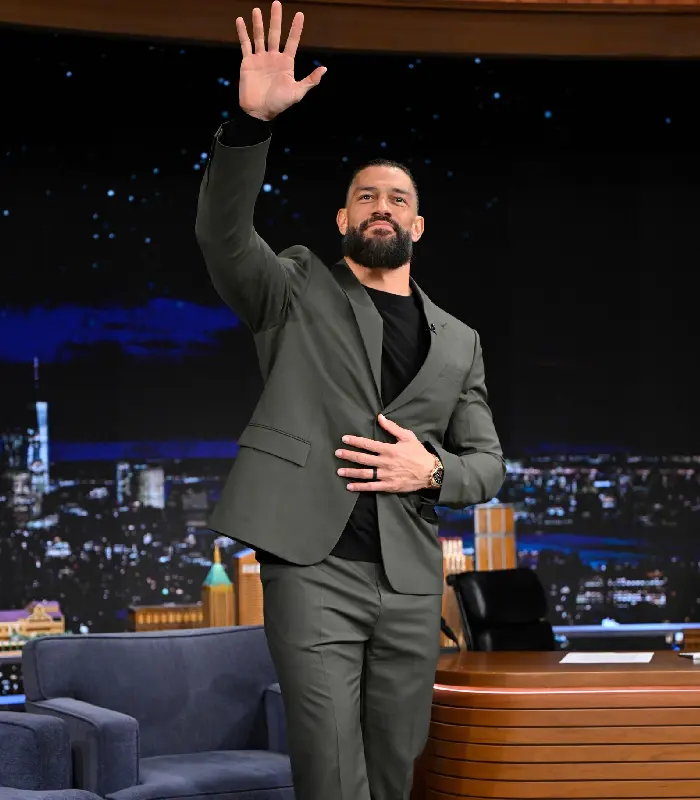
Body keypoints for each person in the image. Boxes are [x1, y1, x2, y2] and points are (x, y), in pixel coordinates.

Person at [195, 3, 505, 798]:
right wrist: (250, 126)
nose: (381, 207)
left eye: (397, 199)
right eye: (366, 197)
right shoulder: (294, 286)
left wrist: (430, 470)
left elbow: (488, 464)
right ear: (342, 218)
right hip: (313, 570)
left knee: (395, 769)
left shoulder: (460, 341)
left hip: (410, 583)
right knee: (333, 773)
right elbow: (224, 238)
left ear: (418, 225)